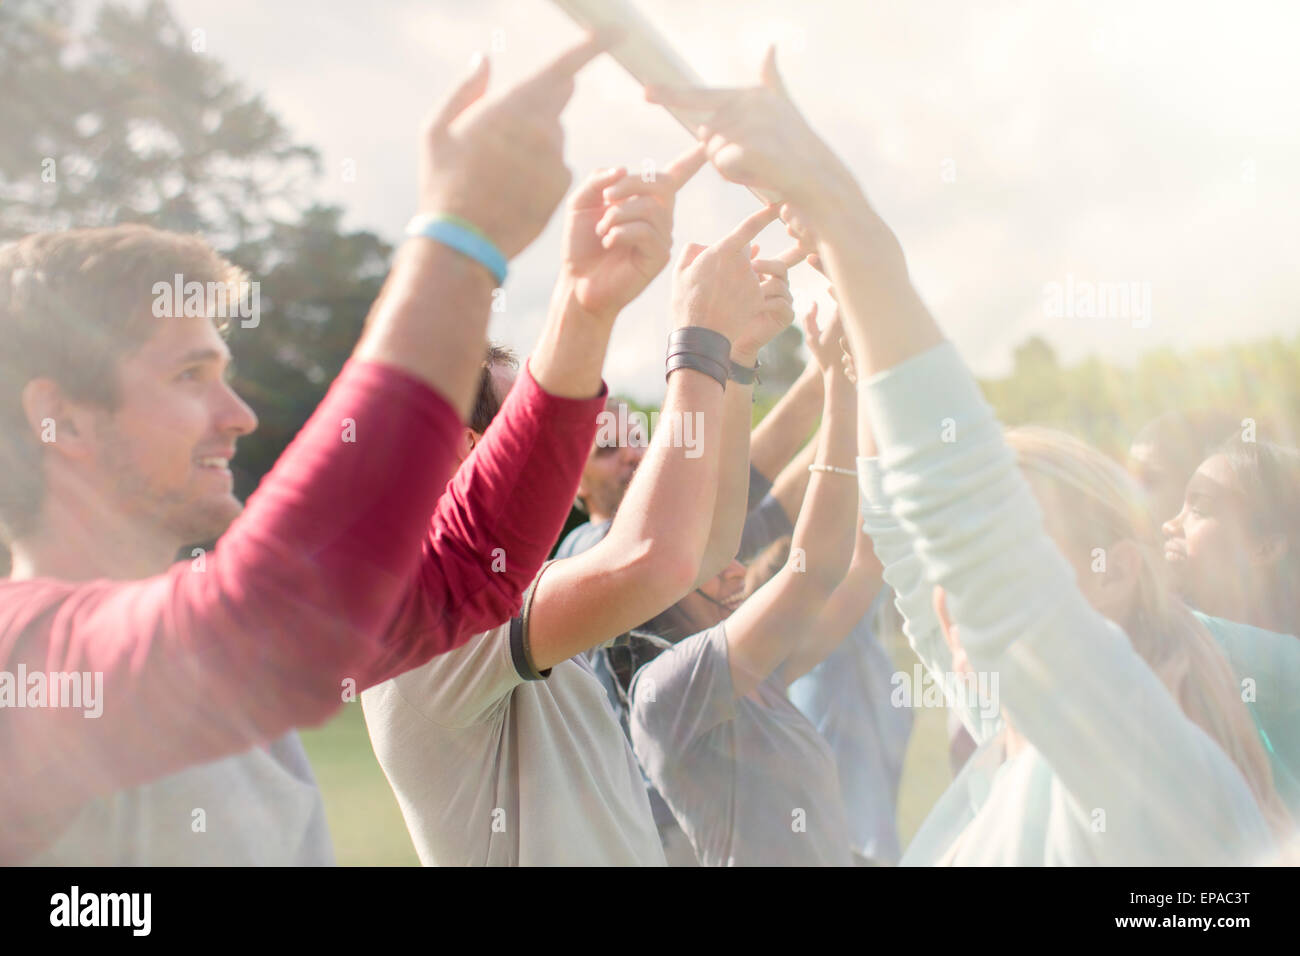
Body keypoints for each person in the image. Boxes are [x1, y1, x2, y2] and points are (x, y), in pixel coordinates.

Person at [650, 47, 1291, 863]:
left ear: (1116, 570)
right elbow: (913, 550)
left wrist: (848, 220)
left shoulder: (1137, 760)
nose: (952, 601)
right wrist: (850, 295)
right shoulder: (1010, 727)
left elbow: (965, 525)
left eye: (1013, 555)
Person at [0, 35, 611, 864]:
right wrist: (459, 242)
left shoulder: (216, 622)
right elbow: (269, 614)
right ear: (60, 421)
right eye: (189, 374)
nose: (240, 414)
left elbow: (473, 563)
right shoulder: (22, 659)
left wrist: (585, 309)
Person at [362, 173, 802, 864]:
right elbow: (655, 558)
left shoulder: (512, 593)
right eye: (530, 427)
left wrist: (736, 363)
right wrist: (698, 343)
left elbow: (701, 548)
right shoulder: (428, 616)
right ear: (467, 449)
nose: (565, 438)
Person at [628, 310, 885, 866]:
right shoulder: (664, 693)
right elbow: (811, 572)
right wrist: (839, 386)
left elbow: (862, 565)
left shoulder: (760, 672)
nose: (736, 571)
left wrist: (864, 381)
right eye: (710, 564)